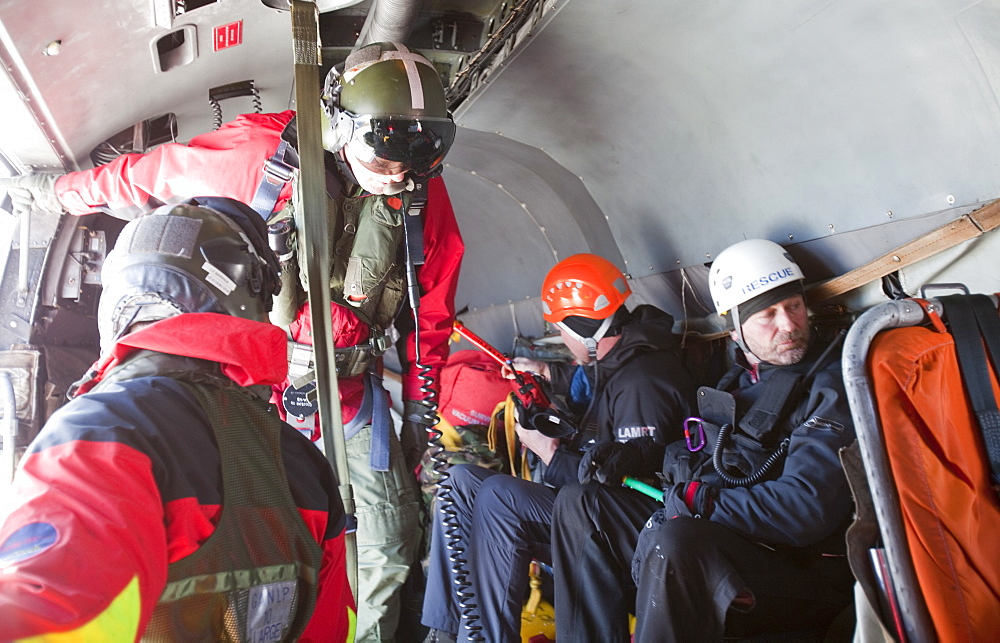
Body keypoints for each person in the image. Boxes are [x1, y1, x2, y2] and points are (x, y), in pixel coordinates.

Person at [0, 41, 463, 641]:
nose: (400, 170)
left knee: (391, 538)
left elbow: (433, 307)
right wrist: (52, 194)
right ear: (342, 123)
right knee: (247, 544)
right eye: (388, 146)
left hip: (348, 389)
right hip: (253, 393)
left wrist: (424, 416)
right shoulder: (258, 158)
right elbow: (143, 177)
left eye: (421, 150)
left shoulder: (420, 192)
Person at [0, 199, 355, 641]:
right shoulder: (305, 466)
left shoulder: (99, 433)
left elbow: (45, 616)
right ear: (249, 295)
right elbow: (334, 630)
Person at [551, 238, 857, 642]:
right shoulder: (737, 381)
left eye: (794, 307)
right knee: (581, 502)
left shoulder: (829, 386)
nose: (788, 325)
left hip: (797, 574)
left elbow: (806, 508)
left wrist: (702, 501)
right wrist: (635, 456)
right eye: (768, 314)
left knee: (678, 541)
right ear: (735, 329)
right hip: (727, 543)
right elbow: (700, 454)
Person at [421, 253, 697, 643]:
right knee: (461, 480)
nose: (563, 343)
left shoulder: (642, 384)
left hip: (623, 531)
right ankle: (445, 632)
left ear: (584, 332)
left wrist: (549, 452)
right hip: (586, 505)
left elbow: (622, 487)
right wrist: (549, 375)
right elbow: (597, 385)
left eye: (562, 332)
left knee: (501, 495)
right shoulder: (619, 361)